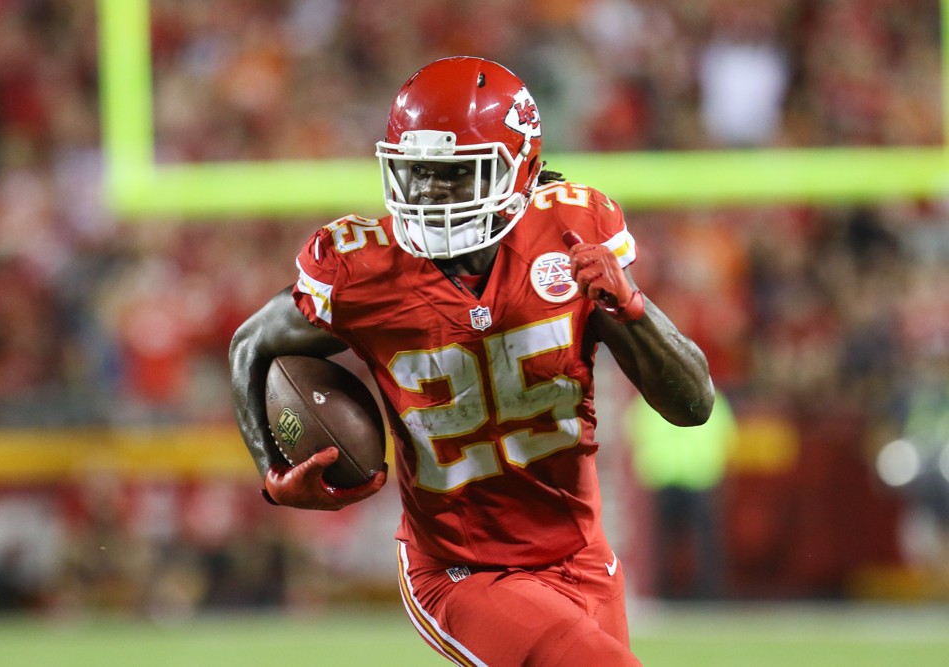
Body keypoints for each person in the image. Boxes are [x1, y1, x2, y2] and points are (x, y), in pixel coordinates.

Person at [230, 56, 714, 666]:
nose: (429, 194)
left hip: (581, 555)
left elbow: (694, 405)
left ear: (522, 169)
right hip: (463, 570)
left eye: (454, 175)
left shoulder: (572, 234)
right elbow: (252, 344)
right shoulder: (363, 271)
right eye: (417, 173)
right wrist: (271, 471)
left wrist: (632, 310)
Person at [625, 389, 738, 599]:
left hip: (690, 478)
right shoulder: (710, 396)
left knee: (689, 543)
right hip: (677, 478)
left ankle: (701, 592)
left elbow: (633, 435)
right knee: (668, 543)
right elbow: (727, 437)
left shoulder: (649, 399)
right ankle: (671, 591)